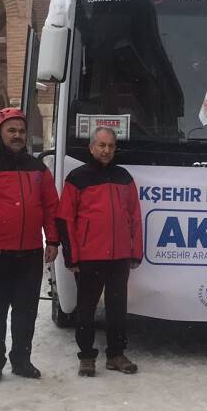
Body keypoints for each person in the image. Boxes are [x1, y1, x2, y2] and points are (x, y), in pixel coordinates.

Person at [0, 107, 59, 386]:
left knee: (26, 311)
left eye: (21, 131)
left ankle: (21, 359)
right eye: (11, 130)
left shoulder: (38, 169)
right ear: (0, 132)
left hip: (29, 252)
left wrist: (52, 239)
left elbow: (50, 206)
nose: (17, 135)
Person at [56, 126, 143, 377]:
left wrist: (135, 251)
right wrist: (71, 255)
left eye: (111, 146)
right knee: (86, 309)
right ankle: (86, 356)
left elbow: (134, 216)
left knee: (117, 308)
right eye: (101, 145)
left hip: (119, 257)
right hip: (89, 256)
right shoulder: (77, 178)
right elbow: (65, 219)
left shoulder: (124, 177)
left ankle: (116, 354)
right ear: (91, 148)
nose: (106, 150)